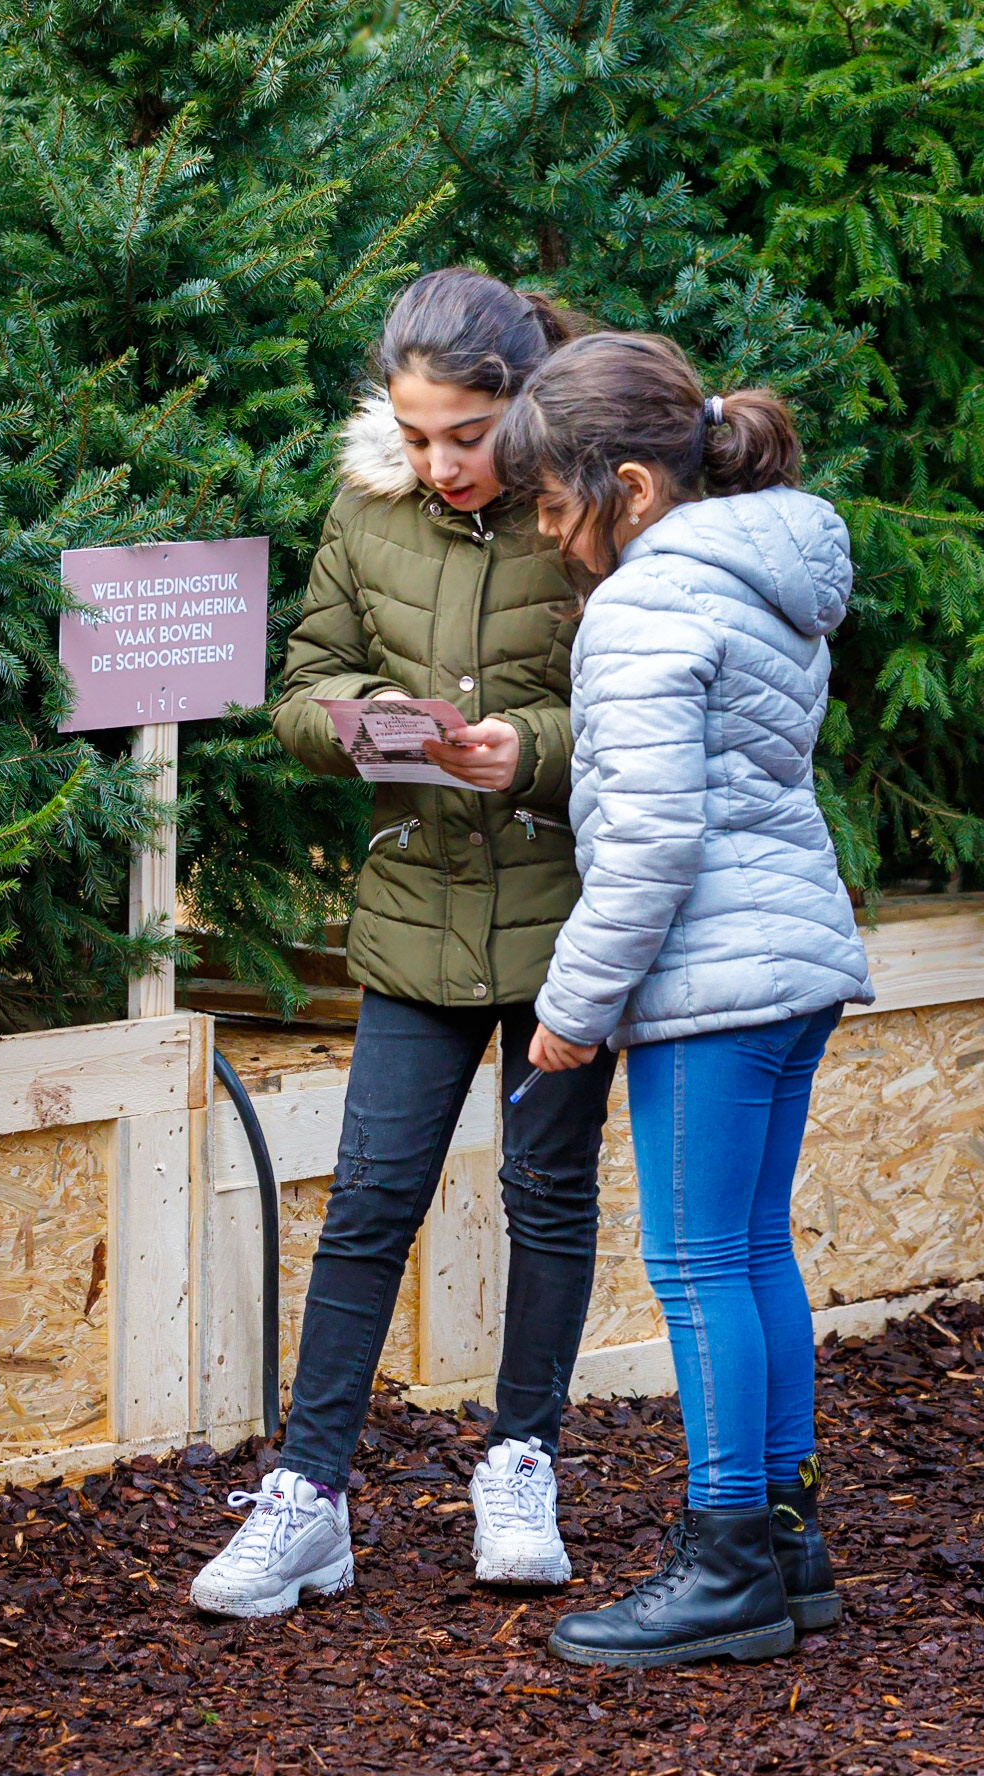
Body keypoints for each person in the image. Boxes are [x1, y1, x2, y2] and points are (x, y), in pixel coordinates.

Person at [188, 269, 616, 1619]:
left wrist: (528, 751)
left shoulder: (591, 512)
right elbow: (302, 688)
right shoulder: (367, 510)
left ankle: (523, 1462)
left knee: (548, 1196)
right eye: (420, 434)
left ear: (524, 407)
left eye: (468, 438)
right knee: (370, 1203)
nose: (441, 463)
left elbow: (655, 707)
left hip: (564, 925)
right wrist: (370, 713)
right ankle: (307, 1500)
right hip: (414, 918)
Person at [491, 332, 874, 1669]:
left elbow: (651, 843)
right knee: (755, 1250)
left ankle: (726, 1570)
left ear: (632, 489)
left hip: (713, 978)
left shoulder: (651, 603)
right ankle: (786, 1543)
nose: (548, 534)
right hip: (790, 957)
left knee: (701, 1265)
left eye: (552, 505)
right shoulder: (761, 575)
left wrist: (572, 1010)